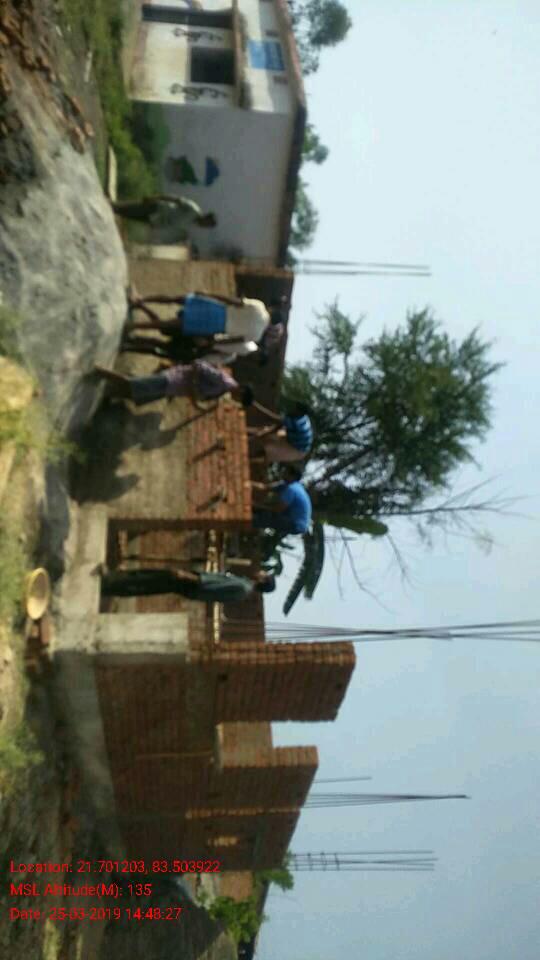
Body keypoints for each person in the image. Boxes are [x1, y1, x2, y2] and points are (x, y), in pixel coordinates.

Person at [128, 291, 286, 354]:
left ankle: (141, 299)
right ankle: (134, 326)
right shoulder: (256, 336)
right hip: (215, 327)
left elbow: (233, 301)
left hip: (218, 310)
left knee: (176, 299)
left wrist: (211, 295)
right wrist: (213, 342)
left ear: (272, 310)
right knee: (171, 324)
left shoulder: (259, 306)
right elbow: (232, 340)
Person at [93, 359, 254, 409]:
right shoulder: (223, 382)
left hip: (173, 388)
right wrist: (193, 394)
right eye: (239, 399)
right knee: (133, 383)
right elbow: (198, 365)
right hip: (173, 379)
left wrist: (196, 397)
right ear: (241, 391)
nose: (236, 400)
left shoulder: (225, 389)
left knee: (139, 394)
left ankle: (107, 393)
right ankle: (98, 371)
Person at [100, 567, 276, 603]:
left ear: (262, 581)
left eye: (264, 574)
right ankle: (115, 585)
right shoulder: (244, 588)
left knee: (153, 580)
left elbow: (214, 585)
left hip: (193, 584)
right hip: (194, 588)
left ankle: (112, 581)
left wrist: (187, 576)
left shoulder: (242, 586)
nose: (261, 571)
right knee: (153, 583)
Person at [112, 195, 217, 244]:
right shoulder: (193, 209)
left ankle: (112, 209)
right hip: (157, 208)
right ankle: (110, 205)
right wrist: (155, 198)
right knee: (127, 208)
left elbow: (173, 227)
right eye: (207, 223)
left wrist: (156, 229)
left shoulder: (191, 226)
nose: (204, 226)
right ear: (206, 217)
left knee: (126, 214)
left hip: (155, 220)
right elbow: (175, 199)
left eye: (206, 227)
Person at [251, 465, 312, 535]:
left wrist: (257, 505)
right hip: (290, 515)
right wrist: (248, 483)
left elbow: (277, 509)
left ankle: (246, 522)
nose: (283, 473)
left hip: (296, 524)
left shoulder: (292, 489)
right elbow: (265, 487)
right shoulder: (285, 484)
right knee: (265, 510)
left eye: (285, 472)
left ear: (292, 476)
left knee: (267, 518)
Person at [249, 401, 314, 464]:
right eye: (296, 407)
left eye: (297, 409)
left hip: (298, 450)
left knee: (268, 452)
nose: (295, 409)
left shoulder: (296, 423)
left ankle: (248, 459)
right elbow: (277, 427)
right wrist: (262, 433)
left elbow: (272, 419)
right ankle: (247, 434)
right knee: (265, 431)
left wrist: (254, 403)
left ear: (301, 412)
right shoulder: (298, 417)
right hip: (293, 437)